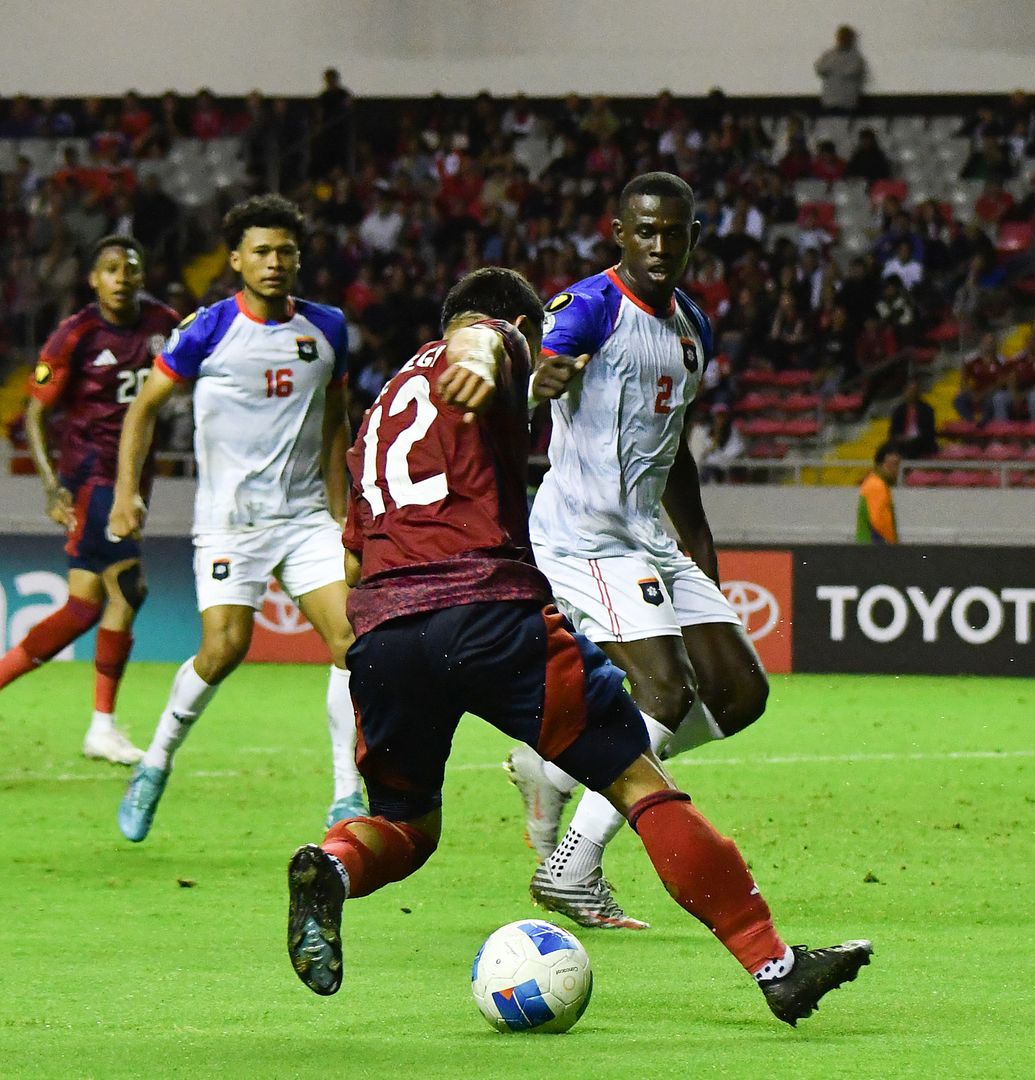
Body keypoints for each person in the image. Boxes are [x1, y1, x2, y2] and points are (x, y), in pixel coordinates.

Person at [286, 266, 871, 1023]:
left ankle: (331, 866)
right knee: (639, 782)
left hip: (386, 635)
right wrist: (481, 350)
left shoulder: (379, 413)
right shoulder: (494, 340)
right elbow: (481, 338)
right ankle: (774, 963)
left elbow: (356, 558)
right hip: (489, 612)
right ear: (523, 329)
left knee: (406, 825)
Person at [502, 173, 774, 931]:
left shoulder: (693, 327)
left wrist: (699, 547)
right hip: (583, 535)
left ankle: (559, 771)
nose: (660, 245)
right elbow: (526, 377)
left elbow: (673, 446)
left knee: (740, 693)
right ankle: (573, 867)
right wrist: (537, 381)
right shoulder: (588, 307)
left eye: (675, 232)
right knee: (665, 690)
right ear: (619, 233)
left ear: (693, 236)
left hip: (649, 536)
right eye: (646, 231)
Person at [108, 195, 360, 840]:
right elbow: (142, 411)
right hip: (230, 522)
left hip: (305, 519)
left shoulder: (328, 328)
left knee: (353, 645)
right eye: (262, 252)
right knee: (224, 649)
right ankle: (155, 762)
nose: (275, 263)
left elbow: (336, 424)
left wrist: (345, 512)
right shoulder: (207, 329)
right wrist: (124, 494)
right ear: (237, 260)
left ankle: (345, 792)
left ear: (298, 258)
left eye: (285, 251)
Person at [0, 235, 178, 763]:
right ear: (94, 279)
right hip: (94, 477)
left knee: (85, 605)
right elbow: (35, 413)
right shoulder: (76, 334)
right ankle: (101, 726)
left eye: (131, 268)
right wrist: (50, 485)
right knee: (129, 587)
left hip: (134, 476)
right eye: (111, 269)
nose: (122, 277)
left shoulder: (164, 325)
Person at [815, 26, 868, 114]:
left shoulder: (856, 58)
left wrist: (833, 68)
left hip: (847, 103)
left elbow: (853, 72)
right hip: (829, 102)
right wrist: (838, 67)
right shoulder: (828, 55)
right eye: (841, 36)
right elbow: (820, 69)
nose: (843, 39)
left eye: (846, 37)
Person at [856, 443, 901, 544]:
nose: (896, 470)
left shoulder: (875, 483)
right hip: (873, 549)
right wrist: (891, 545)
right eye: (894, 464)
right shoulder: (877, 486)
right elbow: (878, 522)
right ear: (882, 465)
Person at [887, 376, 938, 457]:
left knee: (910, 447)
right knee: (886, 448)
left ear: (918, 392)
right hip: (903, 441)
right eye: (909, 390)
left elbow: (928, 432)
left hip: (921, 441)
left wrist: (912, 439)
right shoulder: (899, 410)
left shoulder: (926, 409)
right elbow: (893, 431)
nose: (911, 393)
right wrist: (900, 437)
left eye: (914, 391)